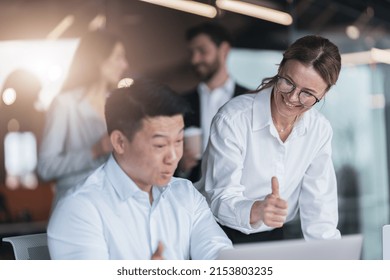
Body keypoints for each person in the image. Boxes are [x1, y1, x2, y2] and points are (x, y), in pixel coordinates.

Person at [47, 79, 233, 260]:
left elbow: (220, 258)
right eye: (160, 145)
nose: (173, 157)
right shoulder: (80, 208)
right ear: (120, 142)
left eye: (178, 141)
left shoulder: (185, 194)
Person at [196, 35, 342, 243]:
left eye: (307, 94)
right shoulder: (233, 119)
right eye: (288, 82)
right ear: (280, 69)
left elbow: (320, 212)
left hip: (273, 233)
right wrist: (257, 209)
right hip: (215, 232)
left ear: (324, 93)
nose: (292, 98)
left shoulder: (319, 130)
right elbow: (219, 198)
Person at [37, 29, 129, 208]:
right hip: (75, 207)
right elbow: (45, 167)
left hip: (114, 207)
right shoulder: (65, 104)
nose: (125, 64)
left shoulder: (121, 105)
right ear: (98, 59)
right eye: (118, 57)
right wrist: (94, 151)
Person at [176, 22, 249, 183]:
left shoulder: (249, 99)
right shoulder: (180, 103)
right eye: (192, 52)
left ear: (224, 50)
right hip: (194, 193)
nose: (195, 59)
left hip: (239, 192)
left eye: (202, 51)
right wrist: (181, 167)